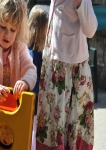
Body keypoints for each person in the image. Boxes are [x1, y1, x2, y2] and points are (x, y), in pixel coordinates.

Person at [36, 0, 97, 149]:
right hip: (55, 63)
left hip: (71, 69)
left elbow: (91, 29)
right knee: (52, 125)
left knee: (72, 129)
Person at [27, 5, 49, 150]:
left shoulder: (28, 51)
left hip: (32, 106)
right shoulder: (36, 55)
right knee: (33, 139)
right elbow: (35, 85)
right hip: (35, 107)